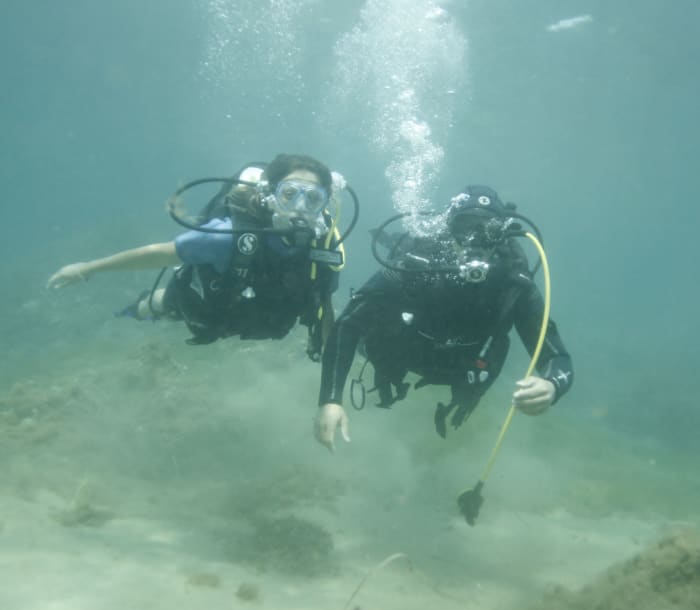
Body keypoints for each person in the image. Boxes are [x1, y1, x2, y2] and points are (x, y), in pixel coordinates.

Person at [314, 184, 573, 450]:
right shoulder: (412, 267)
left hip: (464, 369)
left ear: (502, 235)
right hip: (403, 352)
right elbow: (348, 325)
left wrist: (552, 385)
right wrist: (330, 399)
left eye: (488, 230)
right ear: (449, 228)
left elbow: (556, 356)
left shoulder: (513, 283)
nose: (474, 239)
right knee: (373, 335)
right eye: (465, 226)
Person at [48, 154, 354, 359]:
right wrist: (87, 268)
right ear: (269, 194)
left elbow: (323, 301)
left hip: (259, 315)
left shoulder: (324, 246)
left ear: (326, 204)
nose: (300, 208)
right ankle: (131, 311)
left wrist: (331, 392)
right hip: (207, 307)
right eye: (290, 194)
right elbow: (158, 254)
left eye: (313, 198)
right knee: (159, 304)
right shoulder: (225, 235)